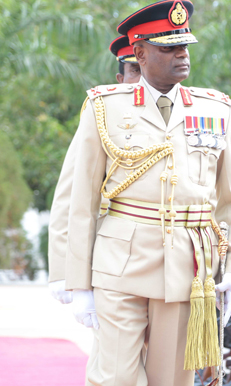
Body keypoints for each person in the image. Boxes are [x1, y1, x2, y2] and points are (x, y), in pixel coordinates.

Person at [63, 0, 231, 386]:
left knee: (172, 380)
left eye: (185, 46)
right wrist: (78, 285)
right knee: (114, 377)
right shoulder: (105, 107)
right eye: (169, 48)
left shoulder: (215, 109)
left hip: (189, 269)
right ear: (139, 53)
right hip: (120, 265)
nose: (182, 55)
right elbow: (81, 201)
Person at [49, 35, 141, 303]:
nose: (142, 80)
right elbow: (70, 194)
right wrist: (61, 268)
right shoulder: (103, 115)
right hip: (111, 253)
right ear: (120, 79)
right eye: (134, 71)